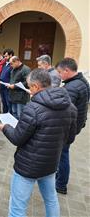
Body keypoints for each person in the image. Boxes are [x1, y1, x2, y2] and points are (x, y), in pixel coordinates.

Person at [0, 68, 77, 217]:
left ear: (35, 86)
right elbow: (70, 138)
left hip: (28, 167)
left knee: (17, 207)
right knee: (51, 200)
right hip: (51, 164)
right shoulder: (70, 107)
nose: (29, 89)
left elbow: (17, 138)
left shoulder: (33, 108)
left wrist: (6, 128)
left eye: (29, 86)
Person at [55, 58, 90, 194]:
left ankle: (60, 185)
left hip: (67, 128)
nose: (59, 75)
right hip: (75, 125)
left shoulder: (72, 87)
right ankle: (60, 180)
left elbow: (62, 109)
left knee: (62, 154)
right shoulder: (81, 82)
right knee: (63, 153)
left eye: (59, 72)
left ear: (67, 70)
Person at [0, 49, 14, 114]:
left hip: (7, 87)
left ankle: (9, 118)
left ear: (11, 55)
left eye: (6, 56)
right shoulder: (5, 64)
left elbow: (13, 77)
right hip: (2, 86)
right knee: (4, 102)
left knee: (8, 103)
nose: (5, 58)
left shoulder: (12, 65)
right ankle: (4, 116)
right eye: (4, 56)